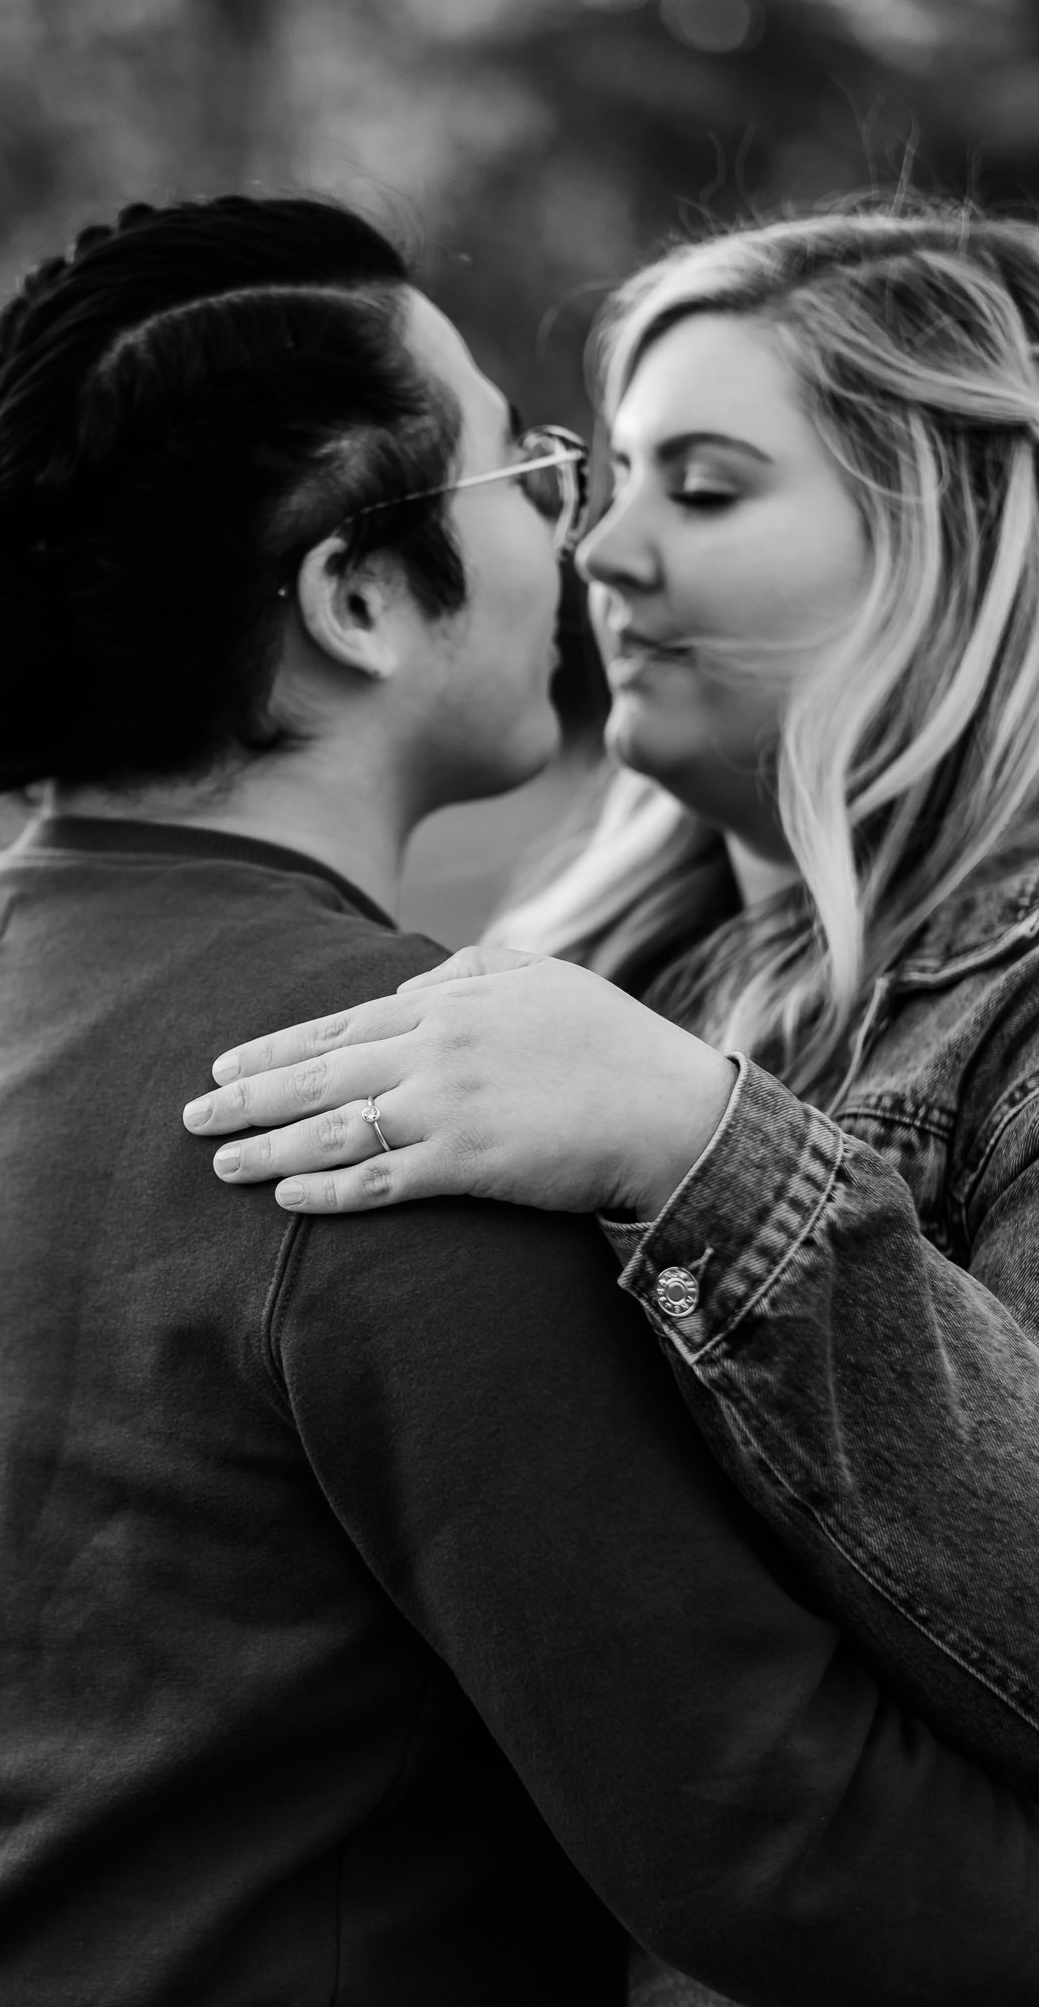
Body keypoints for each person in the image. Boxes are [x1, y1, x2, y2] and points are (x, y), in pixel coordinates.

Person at [0, 196, 1039, 2007]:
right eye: (528, 472)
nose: (579, 531)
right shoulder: (409, 1085)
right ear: (359, 597)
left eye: (689, 482)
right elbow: (780, 1831)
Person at [180, 206, 1039, 1812]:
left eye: (701, 488)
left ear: (961, 536)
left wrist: (700, 1152)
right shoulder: (581, 967)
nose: (600, 551)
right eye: (616, 480)